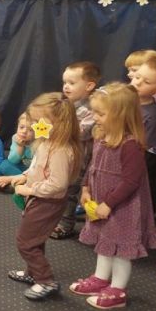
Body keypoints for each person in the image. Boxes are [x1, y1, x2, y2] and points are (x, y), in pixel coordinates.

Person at [70, 83, 156, 309]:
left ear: (121, 116)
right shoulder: (101, 135)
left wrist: (109, 204)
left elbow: (131, 182)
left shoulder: (130, 145)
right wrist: (85, 188)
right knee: (104, 242)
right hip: (101, 201)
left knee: (121, 250)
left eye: (101, 114)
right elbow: (93, 166)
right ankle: (101, 278)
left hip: (122, 206)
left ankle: (118, 290)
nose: (95, 117)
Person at [0, 93, 81, 300]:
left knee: (25, 242)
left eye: (37, 121)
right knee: (35, 239)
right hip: (38, 199)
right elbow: (38, 168)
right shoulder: (46, 143)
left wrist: (30, 190)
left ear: (56, 123)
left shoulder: (60, 150)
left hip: (47, 202)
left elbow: (57, 184)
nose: (33, 125)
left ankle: (46, 280)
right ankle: (33, 272)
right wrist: (24, 176)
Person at [51, 61, 100, 239]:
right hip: (68, 156)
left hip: (83, 160)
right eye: (65, 82)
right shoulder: (68, 103)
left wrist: (55, 127)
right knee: (66, 189)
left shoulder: (93, 108)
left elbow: (80, 132)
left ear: (89, 86)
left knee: (71, 191)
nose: (66, 86)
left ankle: (65, 224)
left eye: (72, 83)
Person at [132, 57, 156, 215]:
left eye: (146, 82)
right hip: (124, 153)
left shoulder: (152, 114)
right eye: (137, 77)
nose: (137, 83)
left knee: (146, 191)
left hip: (149, 156)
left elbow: (147, 144)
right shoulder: (127, 100)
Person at [0, 112, 34, 182]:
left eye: (30, 130)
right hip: (22, 168)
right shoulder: (16, 137)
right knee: (4, 165)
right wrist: (20, 147)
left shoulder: (38, 143)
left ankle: (22, 181)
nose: (24, 131)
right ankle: (21, 180)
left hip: (34, 170)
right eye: (21, 127)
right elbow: (13, 160)